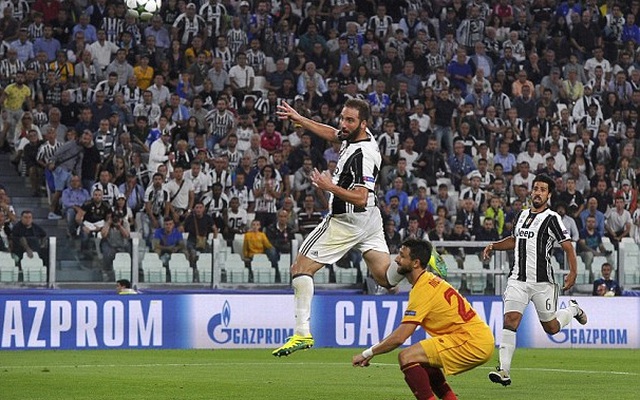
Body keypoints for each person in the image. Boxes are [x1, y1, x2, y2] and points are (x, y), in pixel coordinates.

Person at [272, 98, 423, 358]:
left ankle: (301, 333)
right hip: (370, 219)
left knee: (300, 269)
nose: (343, 123)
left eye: (349, 120)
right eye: (343, 117)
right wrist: (301, 119)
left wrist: (329, 187)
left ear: (362, 123)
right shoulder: (358, 137)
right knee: (385, 278)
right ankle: (421, 262)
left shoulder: (363, 155)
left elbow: (362, 196)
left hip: (346, 220)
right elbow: (333, 134)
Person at [352, 239, 494, 400]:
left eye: (402, 256)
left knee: (407, 357)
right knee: (421, 361)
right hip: (475, 338)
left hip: (471, 342)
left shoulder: (423, 290)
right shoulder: (429, 281)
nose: (396, 260)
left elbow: (400, 337)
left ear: (415, 263)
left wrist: (368, 353)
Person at [482, 174, 588, 386]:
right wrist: (494, 245)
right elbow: (514, 240)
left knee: (551, 328)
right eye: (535, 188)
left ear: (548, 195)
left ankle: (573, 310)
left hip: (542, 283)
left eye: (542, 190)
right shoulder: (521, 216)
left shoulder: (552, 218)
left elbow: (567, 246)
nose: (537, 193)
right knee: (510, 320)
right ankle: (504, 370)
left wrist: (573, 272)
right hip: (517, 280)